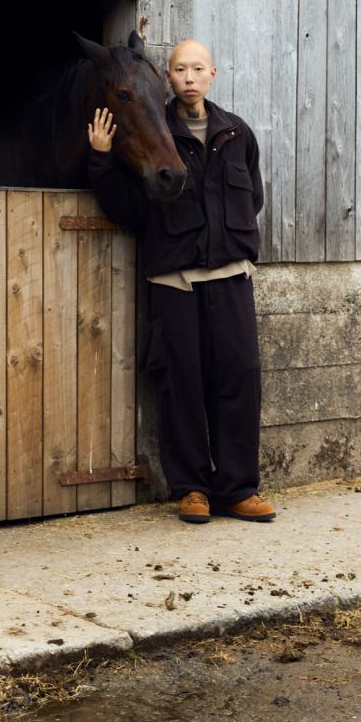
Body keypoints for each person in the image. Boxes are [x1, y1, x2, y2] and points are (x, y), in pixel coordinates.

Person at [87, 38, 275, 524]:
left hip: (230, 276)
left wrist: (227, 243)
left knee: (239, 379)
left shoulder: (237, 133)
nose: (189, 78)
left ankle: (239, 488)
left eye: (197, 69)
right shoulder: (153, 131)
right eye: (179, 70)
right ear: (168, 78)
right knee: (181, 385)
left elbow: (252, 198)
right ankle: (192, 489)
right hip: (175, 280)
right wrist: (101, 159)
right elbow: (129, 209)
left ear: (212, 74)